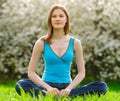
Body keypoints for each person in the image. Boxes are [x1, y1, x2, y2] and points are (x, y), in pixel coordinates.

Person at [15, 4, 107, 97]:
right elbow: (31, 72)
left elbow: (81, 73)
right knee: (21, 84)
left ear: (66, 19)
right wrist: (49, 88)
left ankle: (60, 96)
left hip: (67, 87)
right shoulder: (41, 43)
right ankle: (50, 95)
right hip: (47, 86)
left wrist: (68, 89)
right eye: (54, 16)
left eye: (61, 16)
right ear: (50, 20)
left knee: (102, 86)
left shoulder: (75, 43)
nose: (57, 19)